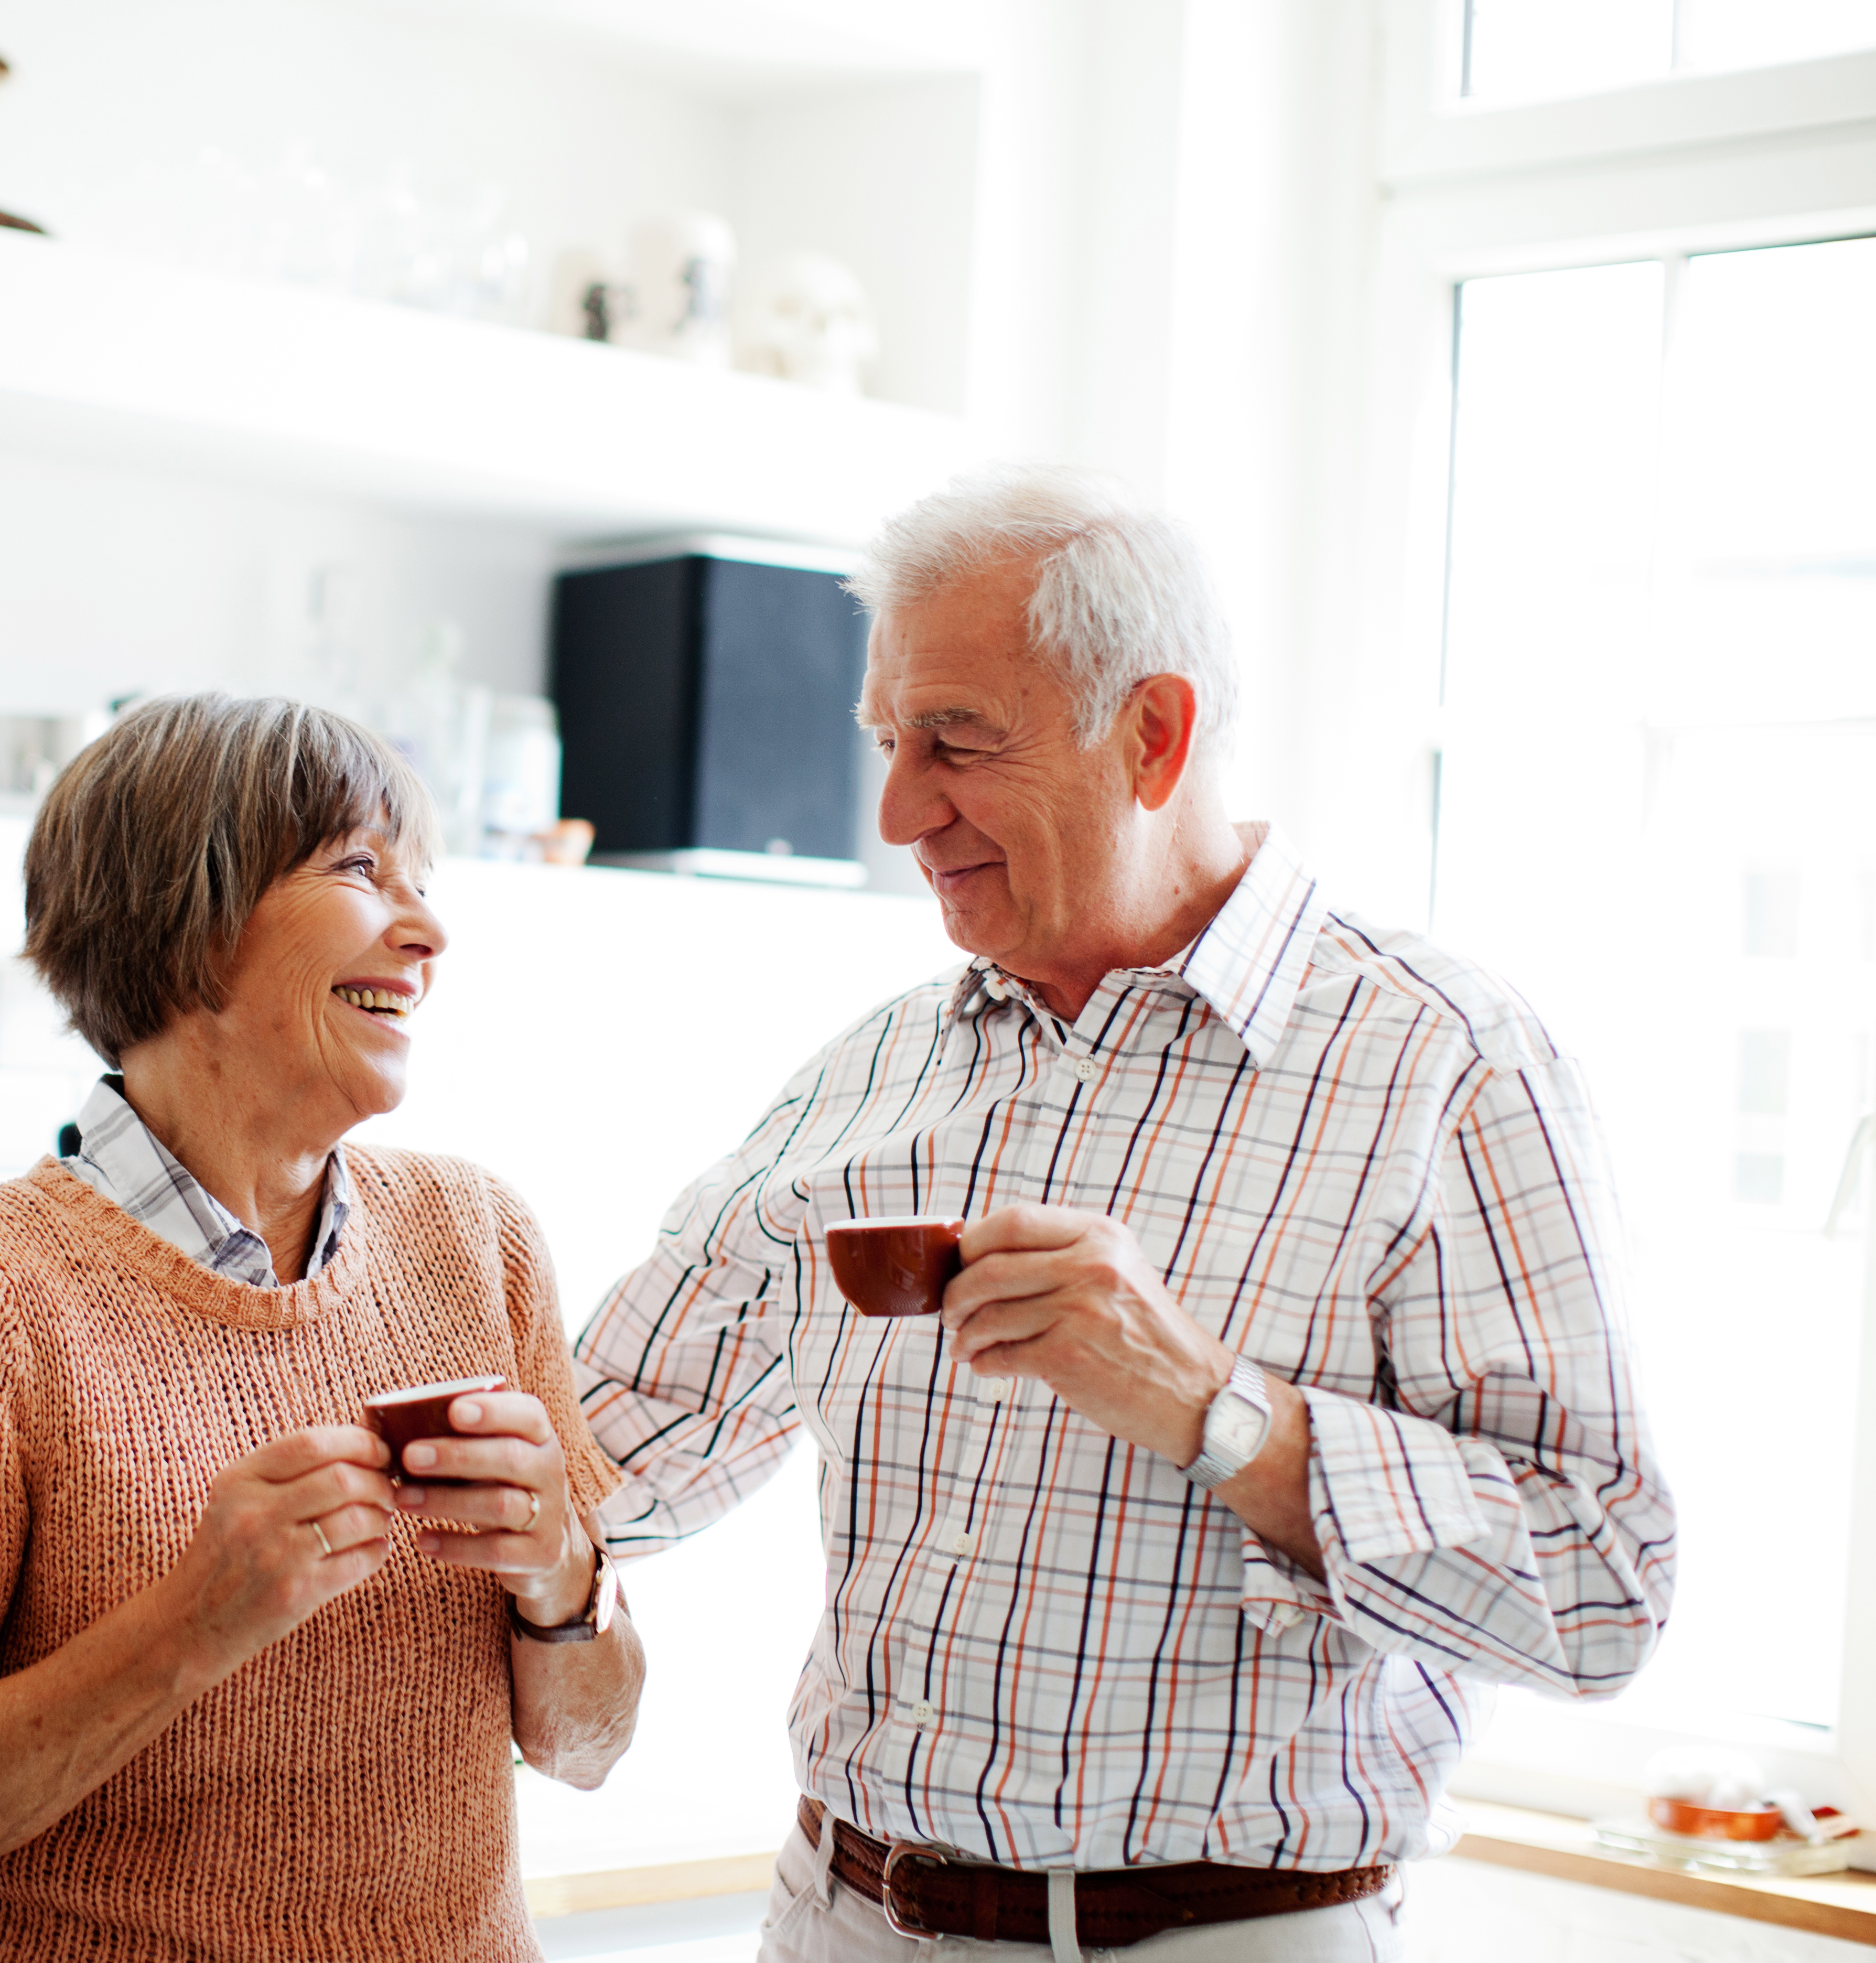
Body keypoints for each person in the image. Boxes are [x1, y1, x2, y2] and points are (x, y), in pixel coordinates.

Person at [573, 467, 1674, 1962]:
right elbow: (607, 1452)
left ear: (1152, 734)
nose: (898, 812)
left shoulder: (1447, 1067)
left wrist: (1216, 1410)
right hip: (835, 1916)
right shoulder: (870, 1072)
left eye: (958, 740)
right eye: (889, 742)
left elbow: (1602, 1588)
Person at [0, 692, 645, 1963]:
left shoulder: (480, 1240)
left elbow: (587, 1747)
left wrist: (562, 1578)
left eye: (420, 882)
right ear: (186, 918)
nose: (428, 932)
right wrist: (194, 1623)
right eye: (360, 870)